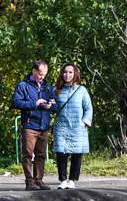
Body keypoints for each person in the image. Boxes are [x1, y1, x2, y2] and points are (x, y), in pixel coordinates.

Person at [11, 60, 58, 190]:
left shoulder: (47, 87)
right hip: (29, 125)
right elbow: (16, 103)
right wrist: (34, 104)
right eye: (40, 74)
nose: (42, 77)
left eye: (44, 74)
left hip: (43, 125)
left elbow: (56, 105)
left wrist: (50, 106)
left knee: (41, 154)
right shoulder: (23, 85)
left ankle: (39, 179)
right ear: (34, 71)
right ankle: (29, 180)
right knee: (27, 153)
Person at [52, 63, 94, 190]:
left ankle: (72, 179)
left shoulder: (81, 90)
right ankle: (63, 179)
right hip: (61, 127)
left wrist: (84, 122)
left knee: (77, 153)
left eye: (70, 72)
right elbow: (53, 107)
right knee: (61, 153)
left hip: (77, 127)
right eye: (65, 72)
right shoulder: (56, 90)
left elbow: (88, 108)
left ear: (75, 74)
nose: (67, 75)